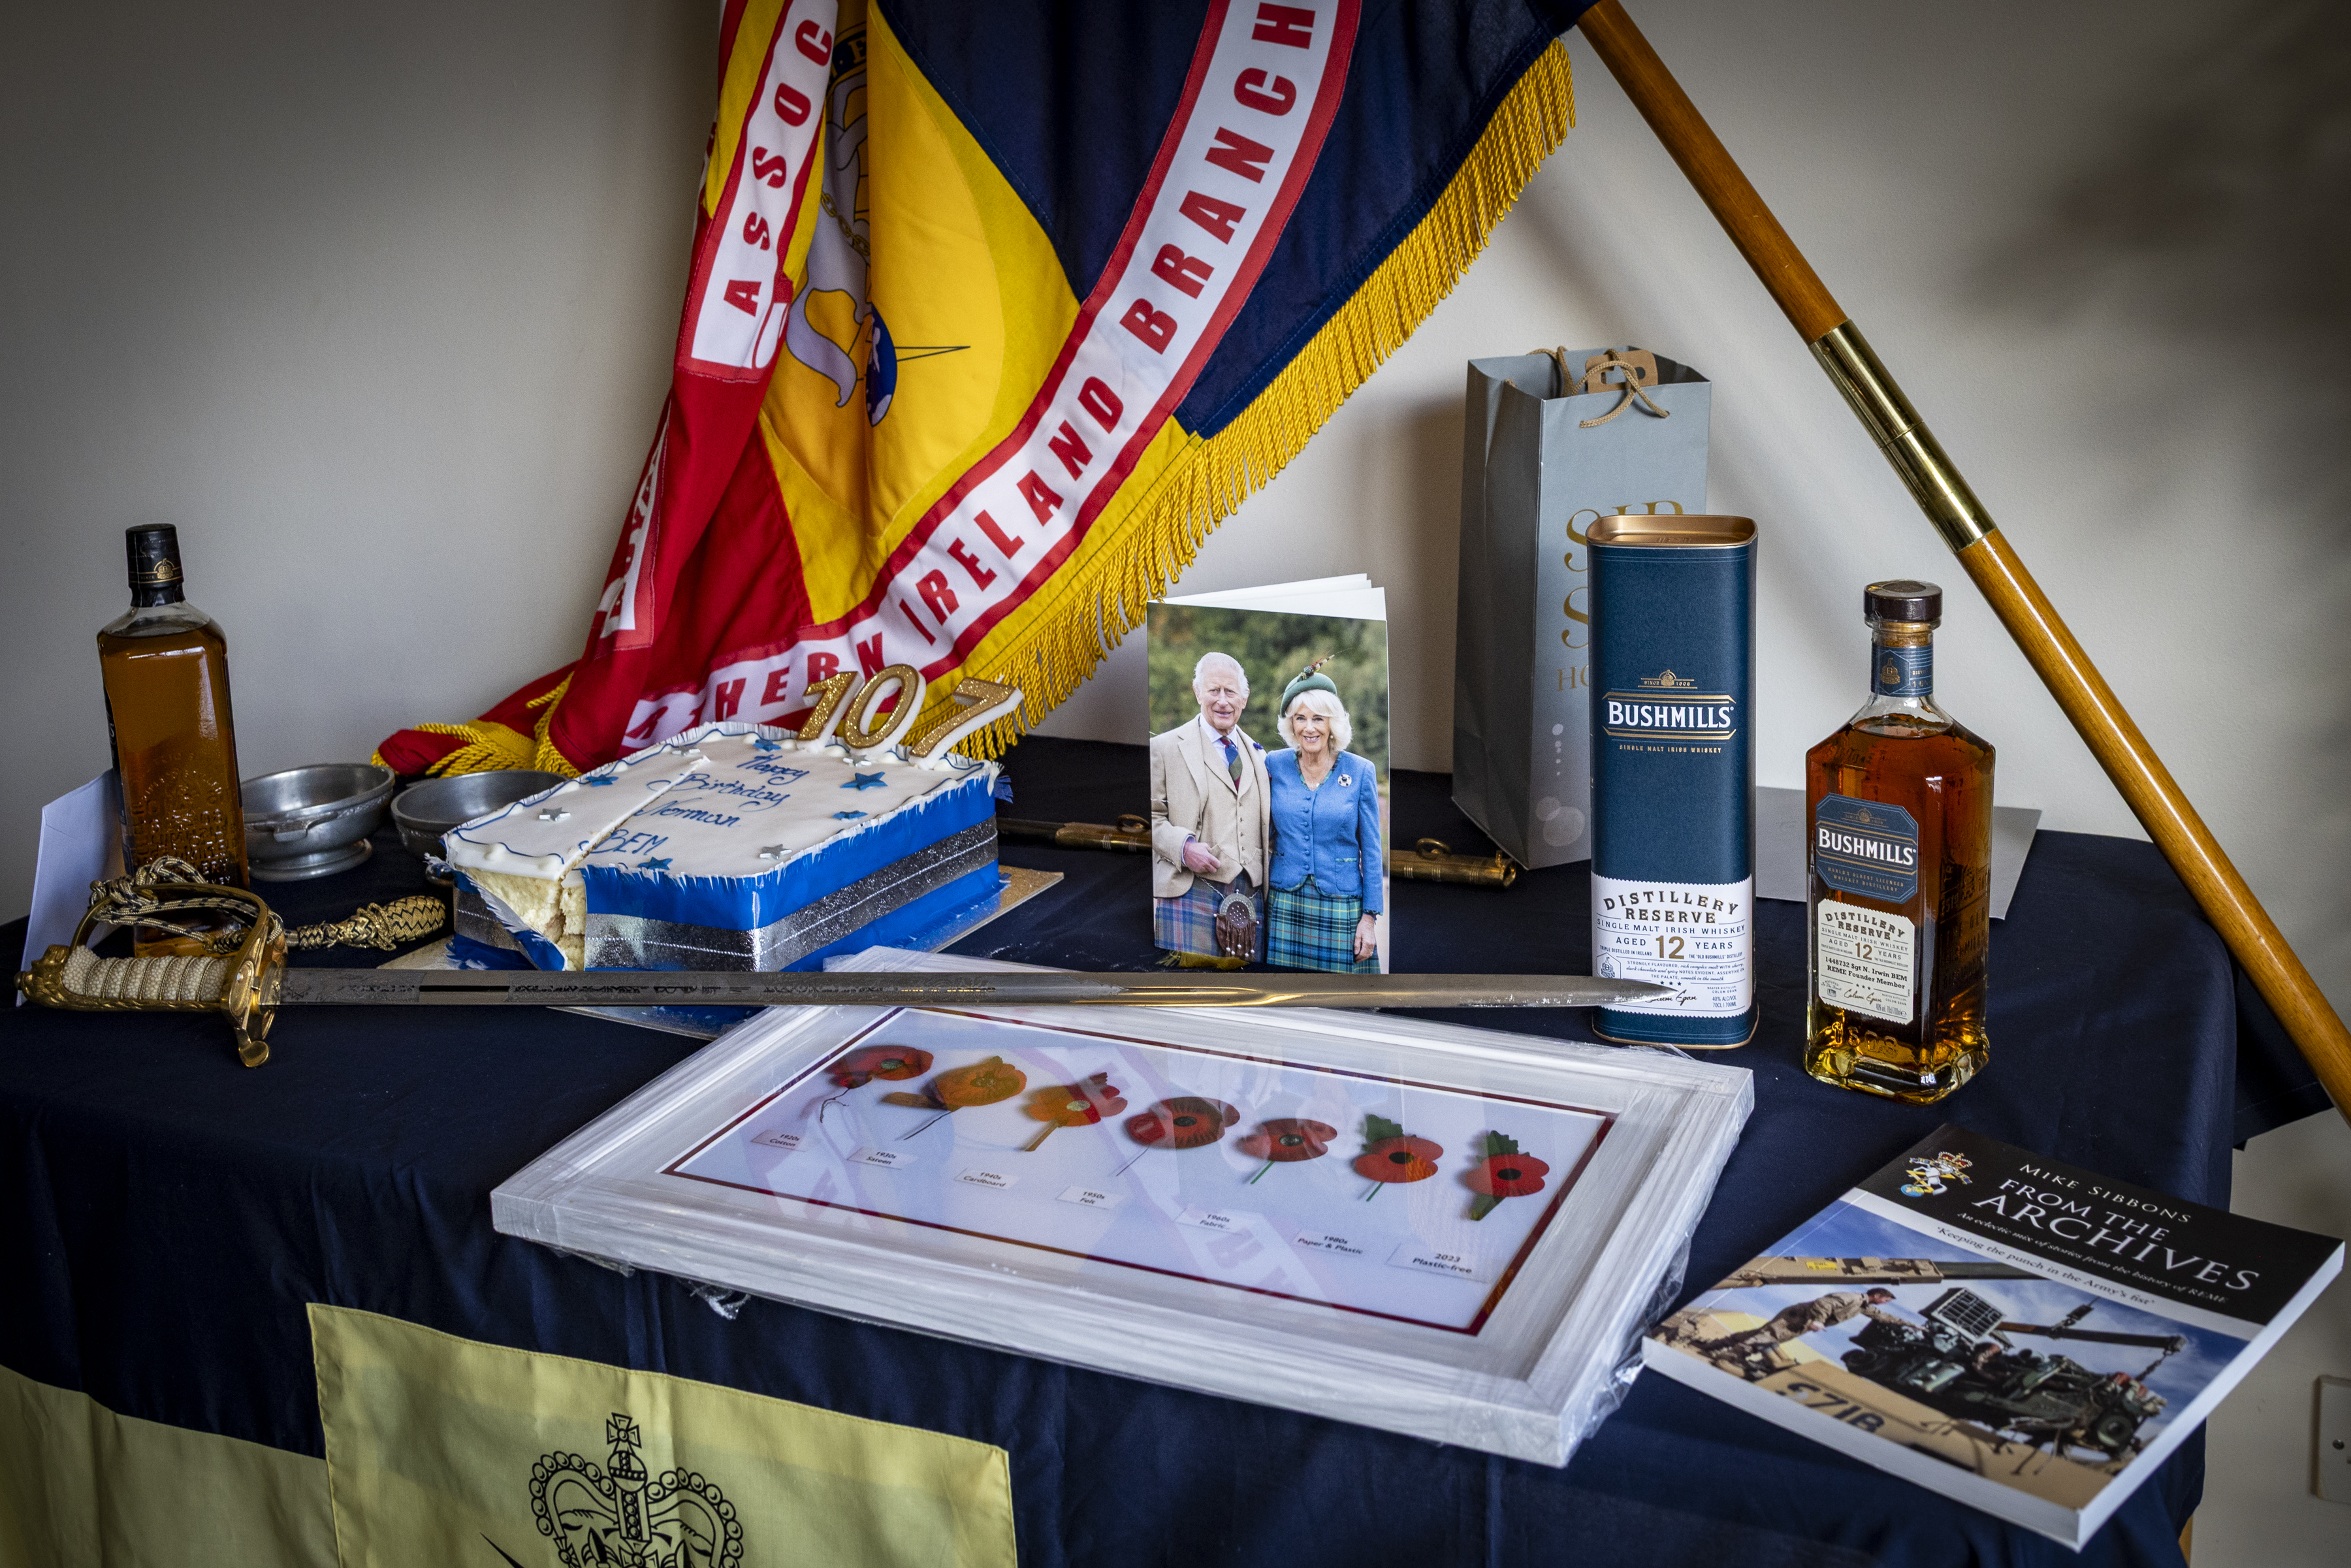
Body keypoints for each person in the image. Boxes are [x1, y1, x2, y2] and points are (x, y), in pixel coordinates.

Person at [1149, 651, 1270, 959]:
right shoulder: (1163, 748)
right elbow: (1150, 818)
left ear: (1244, 698)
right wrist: (1184, 848)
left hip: (1251, 897)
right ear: (1197, 691)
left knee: (1245, 997)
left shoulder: (1260, 756)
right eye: (1213, 690)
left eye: (1230, 692)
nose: (1222, 701)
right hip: (1188, 890)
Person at [1264, 661, 1382, 973]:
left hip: (1342, 903)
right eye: (1300, 718)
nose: (1309, 727)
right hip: (1284, 901)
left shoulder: (1360, 771)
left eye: (1318, 718)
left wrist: (1369, 919)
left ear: (1332, 724)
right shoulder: (1273, 764)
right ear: (1291, 724)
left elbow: (1371, 851)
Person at [1697, 1288, 1908, 1355]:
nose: (1886, 1304)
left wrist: (1910, 1325)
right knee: (1769, 1337)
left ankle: (1715, 1346)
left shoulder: (1864, 1307)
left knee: (1761, 1334)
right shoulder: (1853, 1298)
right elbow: (1823, 1303)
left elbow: (1883, 1317)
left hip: (1804, 1320)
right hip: (1799, 1317)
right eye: (1886, 1300)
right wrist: (1817, 1321)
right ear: (1878, 1295)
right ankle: (1729, 1357)